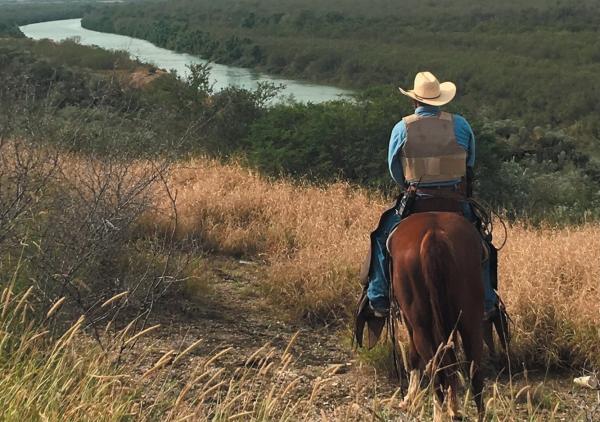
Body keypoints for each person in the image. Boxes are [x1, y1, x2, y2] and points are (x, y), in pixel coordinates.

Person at [364, 71, 500, 322]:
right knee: (483, 243)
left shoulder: (402, 127)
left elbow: (395, 169)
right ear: (440, 100)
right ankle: (487, 302)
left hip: (417, 199)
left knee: (381, 237)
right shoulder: (460, 124)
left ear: (414, 101)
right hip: (455, 201)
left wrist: (409, 183)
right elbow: (469, 162)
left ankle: (379, 297)